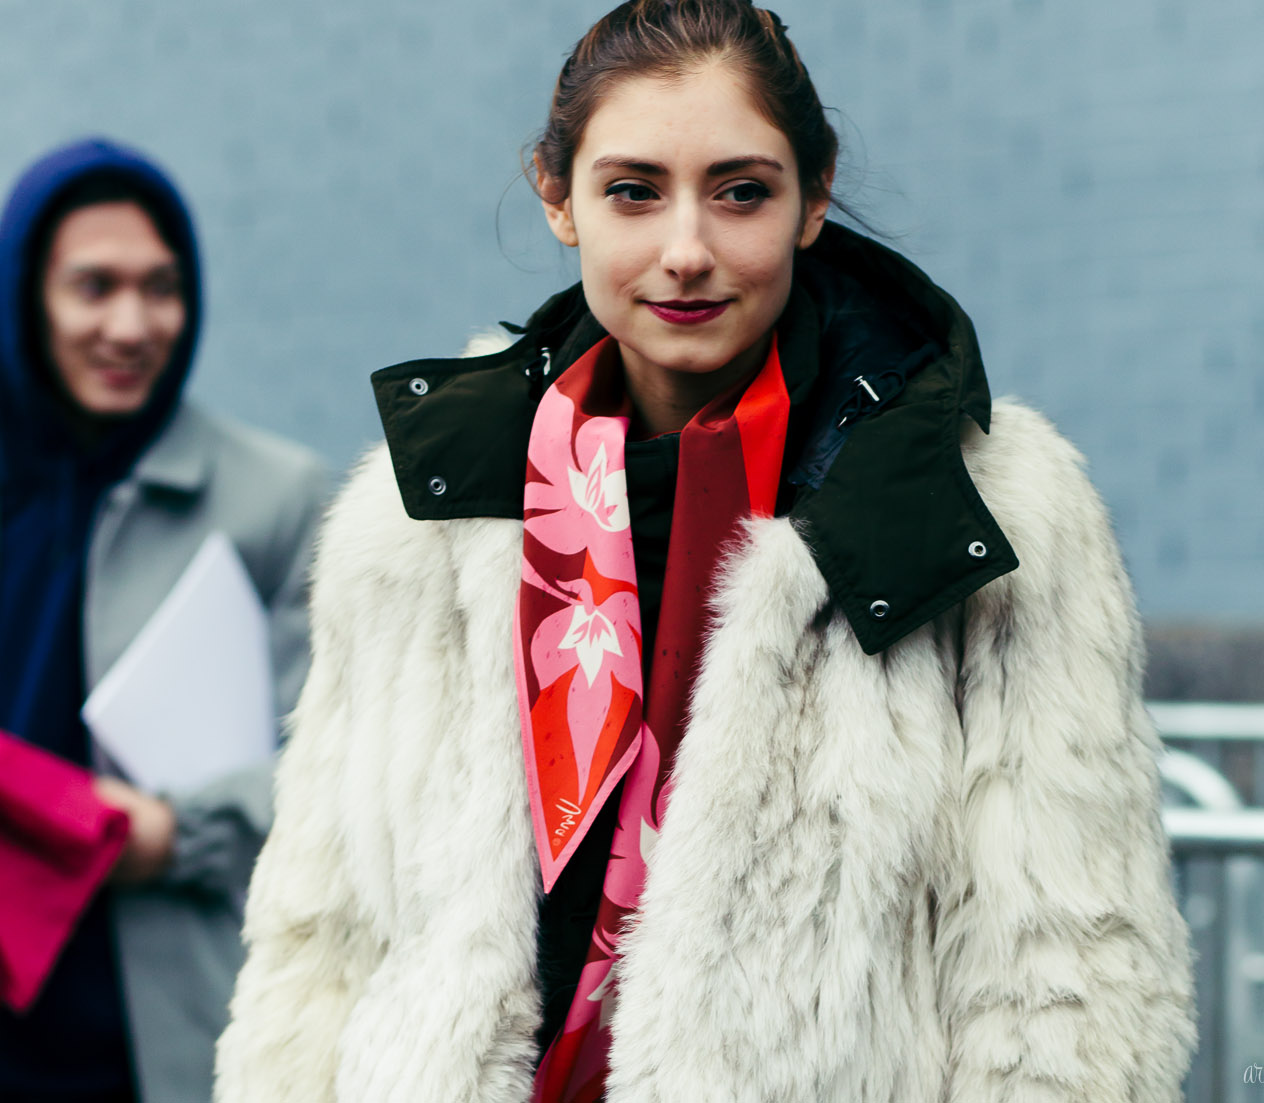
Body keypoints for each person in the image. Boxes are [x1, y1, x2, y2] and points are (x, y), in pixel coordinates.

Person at [216, 2, 1196, 1099]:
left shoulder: (987, 506)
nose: (685, 251)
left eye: (740, 192)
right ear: (558, 199)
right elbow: (322, 937)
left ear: (812, 199)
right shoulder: (421, 518)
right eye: (632, 191)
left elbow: (1067, 965)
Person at [0, 138, 327, 1103]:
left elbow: (333, 777)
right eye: (93, 287)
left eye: (162, 287)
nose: (132, 324)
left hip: (159, 1026)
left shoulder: (275, 496)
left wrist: (177, 835)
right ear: (27, 298)